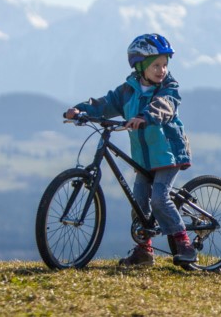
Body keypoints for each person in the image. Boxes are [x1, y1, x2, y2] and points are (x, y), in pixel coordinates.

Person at [65, 33, 196, 267]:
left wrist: (145, 116)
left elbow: (164, 107)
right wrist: (79, 111)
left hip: (167, 154)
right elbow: (105, 104)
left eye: (164, 65)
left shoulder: (169, 89)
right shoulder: (127, 90)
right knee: (139, 203)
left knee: (159, 199)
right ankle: (144, 251)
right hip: (144, 159)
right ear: (140, 67)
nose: (161, 70)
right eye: (156, 65)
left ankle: (183, 242)